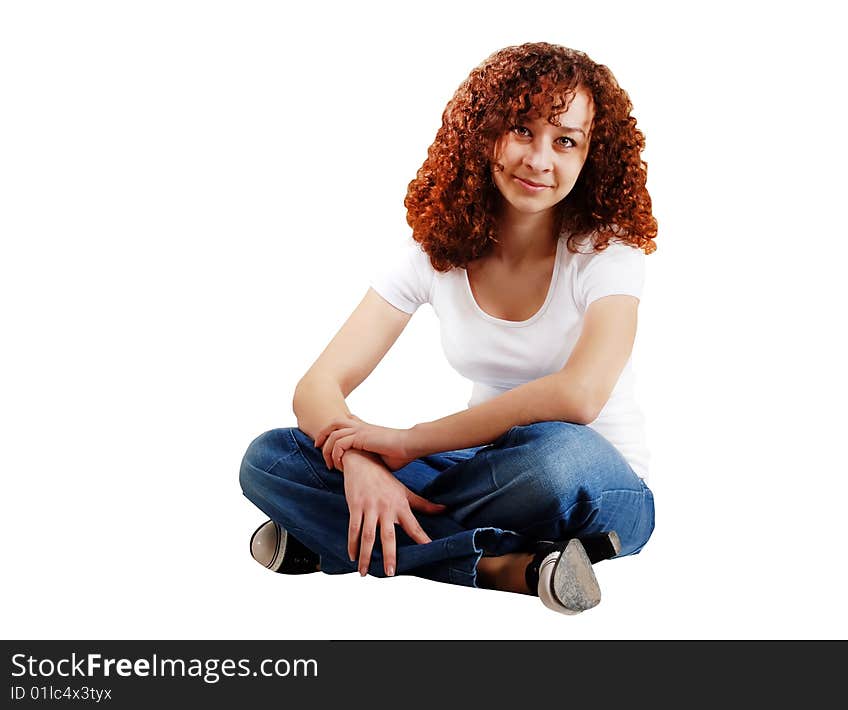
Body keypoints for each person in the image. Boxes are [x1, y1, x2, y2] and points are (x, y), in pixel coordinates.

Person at [239, 41, 657, 614]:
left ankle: (334, 542)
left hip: (595, 484)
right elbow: (317, 387)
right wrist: (362, 465)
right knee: (271, 459)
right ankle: (510, 566)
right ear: (483, 134)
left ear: (590, 158)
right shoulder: (434, 253)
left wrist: (405, 443)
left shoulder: (608, 253)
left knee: (553, 460)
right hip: (478, 469)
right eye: (521, 131)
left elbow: (578, 397)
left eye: (566, 140)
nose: (540, 159)